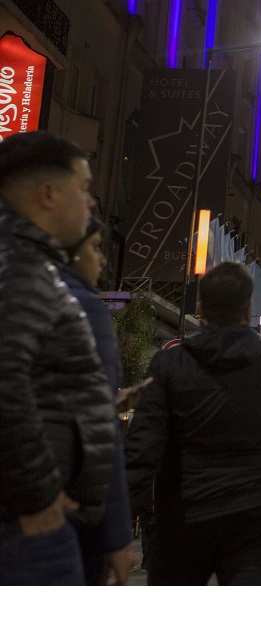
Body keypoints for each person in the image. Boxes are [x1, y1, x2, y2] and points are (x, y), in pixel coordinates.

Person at [125, 262, 261, 585]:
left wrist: (118, 525)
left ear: (200, 308)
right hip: (256, 520)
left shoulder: (169, 365)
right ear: (248, 308)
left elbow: (142, 449)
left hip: (183, 517)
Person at [0, 131, 118, 585]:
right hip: (27, 531)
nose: (89, 203)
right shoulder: (20, 269)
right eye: (83, 188)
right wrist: (38, 495)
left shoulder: (30, 264)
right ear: (48, 194)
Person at [58, 216, 135, 585]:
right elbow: (100, 432)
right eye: (95, 248)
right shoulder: (85, 308)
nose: (102, 260)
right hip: (68, 510)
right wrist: (117, 535)